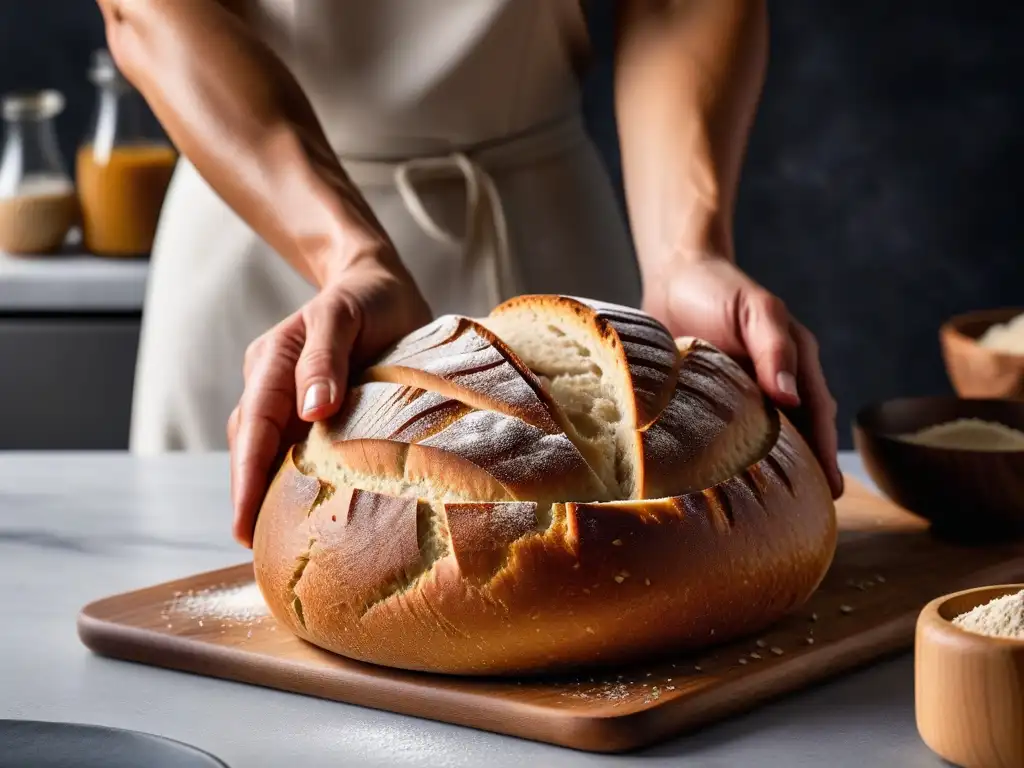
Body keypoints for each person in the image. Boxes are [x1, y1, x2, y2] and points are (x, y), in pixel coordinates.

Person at [96, 0, 843, 549]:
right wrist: (348, 253)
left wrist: (686, 250)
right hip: (263, 224)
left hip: (546, 239)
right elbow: (149, 13)